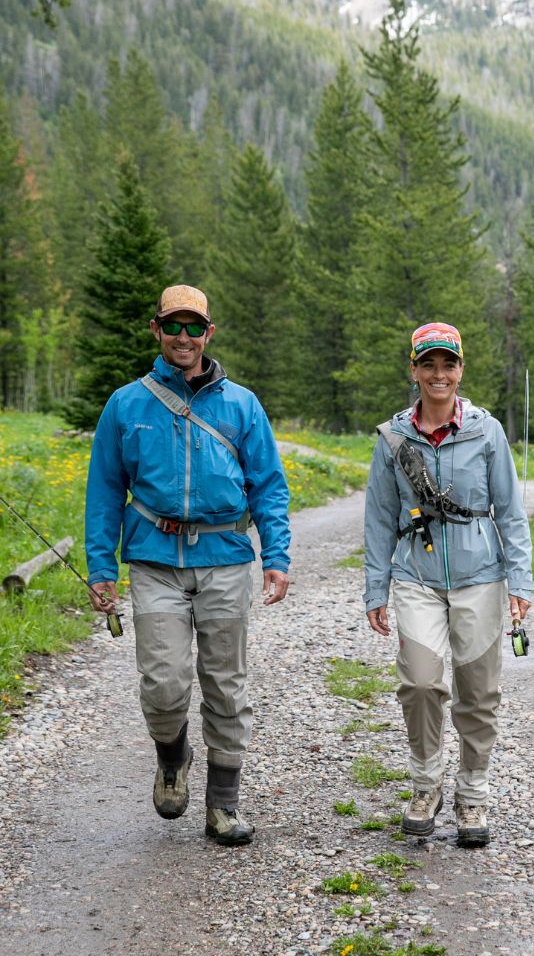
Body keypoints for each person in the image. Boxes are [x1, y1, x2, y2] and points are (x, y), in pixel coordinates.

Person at [85, 284, 291, 847]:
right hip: (154, 561)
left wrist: (276, 555)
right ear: (156, 329)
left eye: (193, 327)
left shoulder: (242, 405)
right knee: (163, 684)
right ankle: (172, 756)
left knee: (226, 684)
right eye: (173, 326)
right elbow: (104, 492)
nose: (183, 337)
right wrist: (100, 567)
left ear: (209, 333)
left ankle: (223, 806)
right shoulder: (126, 405)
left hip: (225, 560)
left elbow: (269, 485)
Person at [364, 322, 533, 847]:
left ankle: (473, 794)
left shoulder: (487, 431)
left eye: (448, 364)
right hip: (415, 576)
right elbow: (378, 517)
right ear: (413, 370)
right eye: (429, 364)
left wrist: (519, 582)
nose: (439, 374)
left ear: (461, 370)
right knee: (419, 683)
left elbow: (510, 511)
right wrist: (375, 589)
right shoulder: (393, 437)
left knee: (478, 693)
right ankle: (424, 785)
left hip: (481, 577)